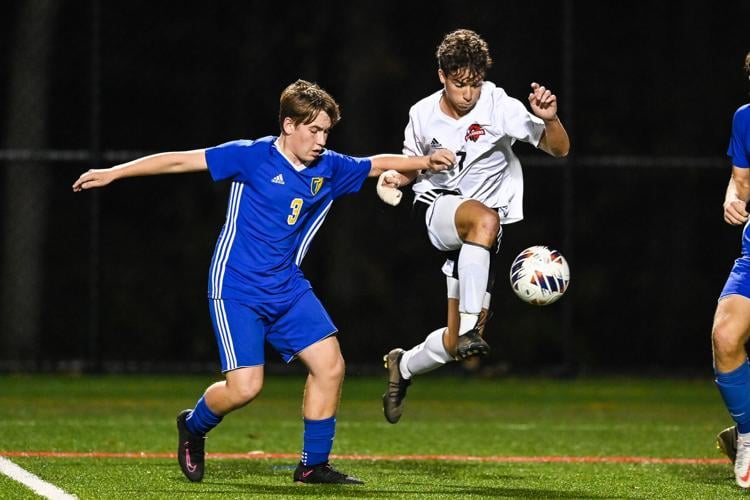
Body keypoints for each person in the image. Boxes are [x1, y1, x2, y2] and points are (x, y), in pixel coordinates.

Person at [72, 79, 454, 485]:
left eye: (326, 131)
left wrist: (424, 163)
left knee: (330, 365)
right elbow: (180, 161)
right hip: (237, 288)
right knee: (244, 388)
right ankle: (193, 426)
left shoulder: (328, 166)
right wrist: (114, 172)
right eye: (314, 129)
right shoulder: (252, 156)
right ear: (289, 125)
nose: (322, 140)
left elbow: (375, 163)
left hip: (287, 287)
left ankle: (312, 465)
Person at [378, 29, 569, 424]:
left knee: (454, 344)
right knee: (484, 218)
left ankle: (403, 365)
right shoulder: (421, 113)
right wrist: (397, 178)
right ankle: (467, 326)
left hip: (482, 241)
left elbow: (559, 149)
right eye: (459, 84)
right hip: (439, 211)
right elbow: (411, 167)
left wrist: (550, 120)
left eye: (475, 84)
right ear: (441, 77)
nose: (468, 94)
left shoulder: (500, 105)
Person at [712, 50, 750, 489]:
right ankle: (747, 432)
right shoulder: (745, 118)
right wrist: (731, 198)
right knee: (725, 337)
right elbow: (740, 181)